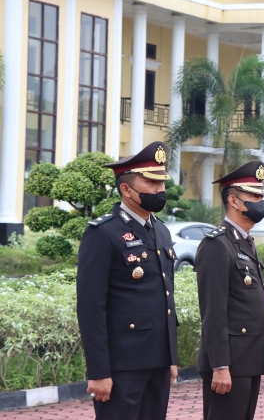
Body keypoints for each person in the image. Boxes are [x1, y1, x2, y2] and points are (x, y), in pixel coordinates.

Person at [77, 141, 178, 420]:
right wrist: (99, 372)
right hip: (122, 366)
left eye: (161, 183)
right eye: (151, 183)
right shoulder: (104, 232)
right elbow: (91, 308)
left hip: (157, 362)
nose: (160, 190)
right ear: (126, 189)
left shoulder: (161, 230)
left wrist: (169, 358)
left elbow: (166, 298)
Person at [195, 161, 264, 420]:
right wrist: (220, 366)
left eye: (261, 195)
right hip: (229, 363)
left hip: (248, 360)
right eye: (253, 195)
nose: (260, 201)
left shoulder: (245, 242)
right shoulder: (217, 244)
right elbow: (213, 312)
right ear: (235, 201)